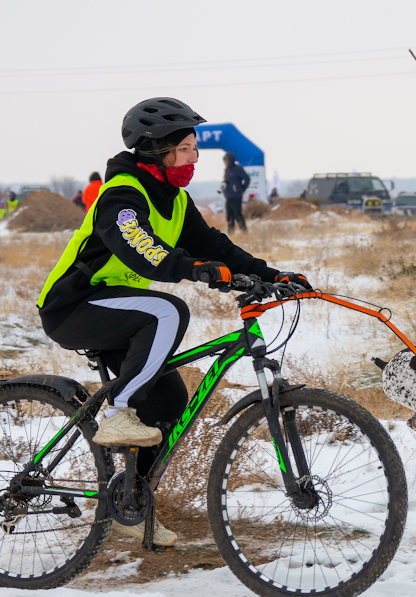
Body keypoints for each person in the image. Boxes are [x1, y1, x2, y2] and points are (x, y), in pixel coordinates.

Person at [37, 97, 309, 547]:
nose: (192, 159)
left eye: (194, 149)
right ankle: (118, 411)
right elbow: (135, 244)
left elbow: (216, 245)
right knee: (168, 310)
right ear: (153, 150)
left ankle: (130, 504)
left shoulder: (176, 201)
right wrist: (190, 268)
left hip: (116, 310)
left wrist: (271, 274)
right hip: (74, 306)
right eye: (182, 149)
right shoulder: (122, 195)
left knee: (168, 398)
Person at [222, 152, 251, 234]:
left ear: (231, 160)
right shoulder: (226, 170)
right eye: (224, 161)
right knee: (229, 217)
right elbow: (227, 181)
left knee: (238, 216)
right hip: (228, 197)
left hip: (236, 196)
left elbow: (247, 179)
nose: (225, 162)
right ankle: (231, 235)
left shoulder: (238, 169)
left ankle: (245, 233)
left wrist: (242, 189)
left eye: (227, 160)